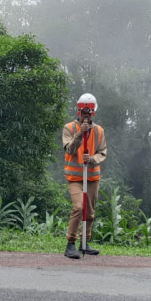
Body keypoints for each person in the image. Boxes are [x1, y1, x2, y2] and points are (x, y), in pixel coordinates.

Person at [61, 93, 107, 259]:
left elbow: (103, 152)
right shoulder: (69, 128)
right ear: (79, 111)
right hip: (75, 178)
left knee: (89, 212)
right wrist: (80, 134)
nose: (86, 115)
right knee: (78, 207)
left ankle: (85, 242)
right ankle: (71, 243)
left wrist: (93, 159)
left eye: (89, 112)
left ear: (93, 112)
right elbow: (70, 150)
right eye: (83, 112)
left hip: (92, 177)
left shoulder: (99, 130)